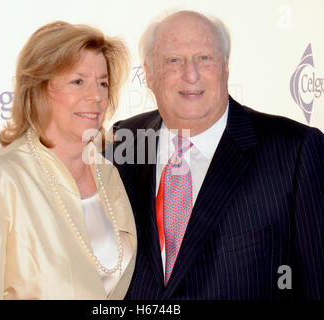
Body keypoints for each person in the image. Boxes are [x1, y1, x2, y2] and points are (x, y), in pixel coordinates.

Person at [111, 10, 324, 299]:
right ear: (148, 74)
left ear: (225, 66)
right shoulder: (125, 141)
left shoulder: (294, 151)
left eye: (205, 58)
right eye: (174, 60)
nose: (191, 74)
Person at [0, 21, 136, 299]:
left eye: (103, 83)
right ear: (40, 89)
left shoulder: (109, 175)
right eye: (78, 81)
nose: (96, 96)